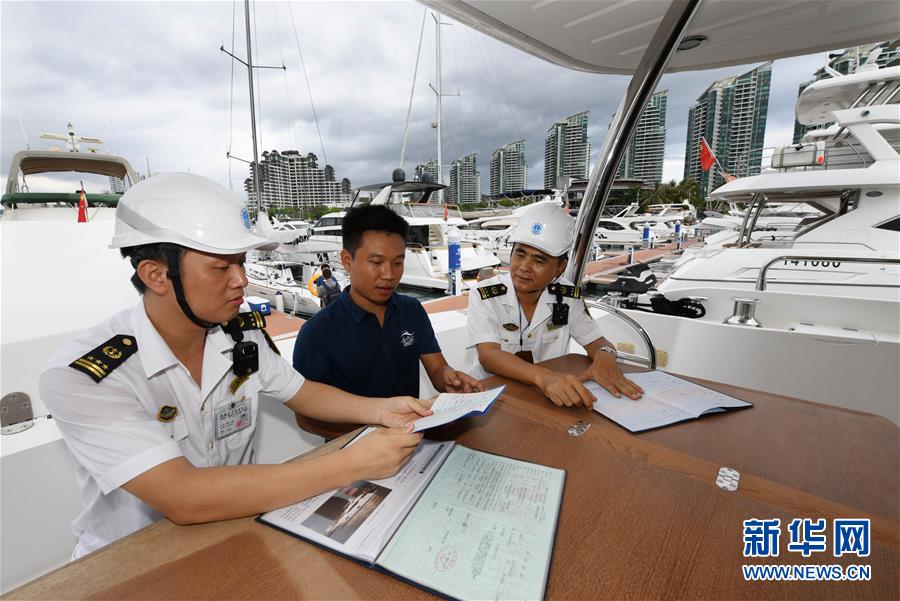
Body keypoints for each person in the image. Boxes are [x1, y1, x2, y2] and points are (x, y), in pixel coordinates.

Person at [39, 173, 428, 558]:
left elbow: (303, 393)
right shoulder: (83, 377)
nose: (241, 279)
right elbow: (183, 496)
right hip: (133, 560)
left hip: (236, 534)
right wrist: (352, 464)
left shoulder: (241, 335)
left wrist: (383, 409)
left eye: (241, 262)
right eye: (221, 267)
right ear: (157, 275)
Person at [293, 204, 482, 404]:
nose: (389, 275)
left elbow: (437, 369)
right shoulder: (316, 333)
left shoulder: (412, 310)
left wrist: (449, 377)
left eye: (398, 262)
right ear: (347, 261)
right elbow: (306, 414)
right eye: (376, 262)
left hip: (413, 424)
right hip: (357, 427)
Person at [467, 203, 643, 408]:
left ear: (560, 267)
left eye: (539, 260)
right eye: (520, 254)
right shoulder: (485, 294)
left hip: (546, 397)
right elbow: (488, 355)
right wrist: (544, 377)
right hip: (490, 394)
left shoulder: (567, 296)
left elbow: (597, 342)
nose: (524, 267)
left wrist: (606, 359)